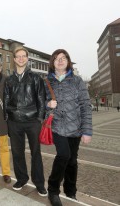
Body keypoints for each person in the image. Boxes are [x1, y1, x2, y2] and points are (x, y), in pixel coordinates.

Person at [45, 49, 92, 206]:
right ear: (52, 62)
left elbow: (85, 106)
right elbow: (40, 106)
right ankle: (53, 190)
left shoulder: (77, 81)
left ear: (68, 61)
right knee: (64, 155)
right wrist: (47, 105)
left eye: (63, 58)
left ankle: (71, 192)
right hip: (57, 126)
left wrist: (86, 131)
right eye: (57, 58)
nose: (60, 60)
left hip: (75, 128)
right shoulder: (47, 82)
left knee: (72, 160)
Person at [3, 47, 47, 196]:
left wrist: (40, 119)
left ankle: (39, 183)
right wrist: (7, 119)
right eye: (18, 56)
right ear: (14, 59)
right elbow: (6, 100)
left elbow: (41, 99)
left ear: (27, 59)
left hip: (33, 121)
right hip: (14, 122)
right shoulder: (9, 79)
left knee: (36, 153)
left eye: (23, 56)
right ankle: (21, 178)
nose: (21, 59)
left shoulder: (36, 78)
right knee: (17, 153)